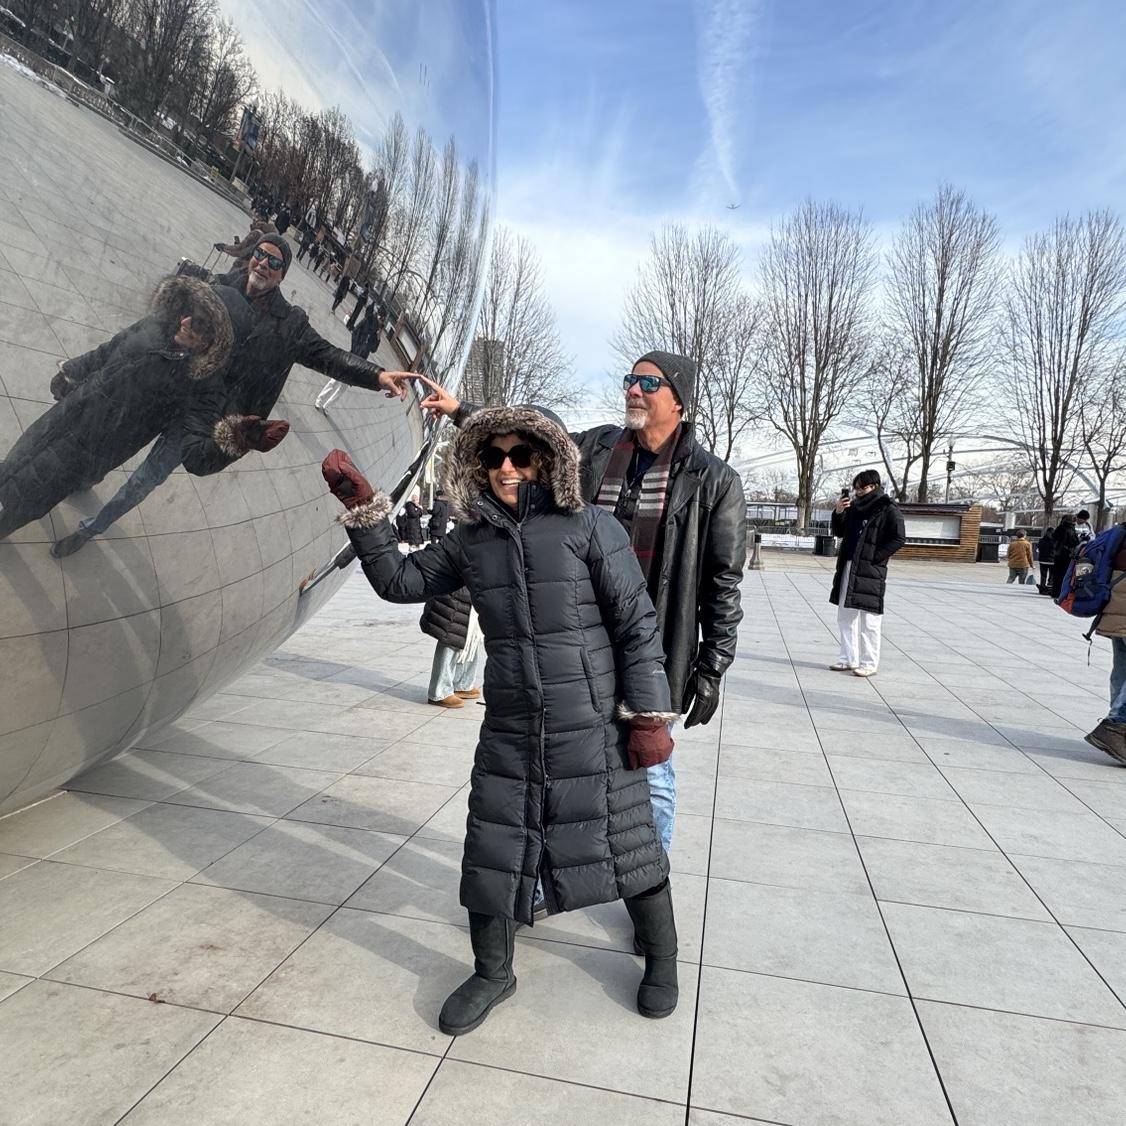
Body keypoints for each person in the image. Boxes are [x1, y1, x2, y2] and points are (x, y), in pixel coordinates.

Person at [320, 403, 680, 1034]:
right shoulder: (472, 542)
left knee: (626, 841)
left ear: (548, 458)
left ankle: (664, 958)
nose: (507, 468)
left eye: (521, 454)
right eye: (492, 456)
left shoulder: (591, 526)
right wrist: (367, 513)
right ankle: (493, 971)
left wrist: (647, 715)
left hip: (592, 723)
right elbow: (401, 581)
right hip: (511, 728)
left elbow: (636, 622)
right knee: (494, 848)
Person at [415, 351, 746, 855]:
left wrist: (712, 668)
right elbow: (526, 435)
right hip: (578, 642)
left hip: (650, 648)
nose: (633, 390)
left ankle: (646, 884)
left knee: (649, 773)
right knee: (564, 770)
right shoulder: (597, 449)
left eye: (648, 383)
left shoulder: (715, 481)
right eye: (630, 380)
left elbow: (723, 585)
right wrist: (463, 410)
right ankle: (556, 875)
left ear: (679, 399)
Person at [0, 278, 246, 543]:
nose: (185, 323)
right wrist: (73, 370)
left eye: (198, 324)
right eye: (188, 313)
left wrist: (228, 439)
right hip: (72, 411)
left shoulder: (197, 383)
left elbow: (192, 439)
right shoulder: (157, 325)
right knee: (20, 455)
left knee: (35, 491)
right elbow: (111, 347)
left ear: (212, 341)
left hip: (95, 446)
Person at [178, 234, 415, 477]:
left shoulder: (290, 324)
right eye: (259, 255)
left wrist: (377, 376)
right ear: (251, 258)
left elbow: (330, 356)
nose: (263, 264)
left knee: (167, 468)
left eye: (274, 262)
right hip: (180, 392)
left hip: (214, 414)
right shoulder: (222, 286)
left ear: (281, 276)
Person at [829, 469, 906, 677]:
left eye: (862, 488)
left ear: (874, 486)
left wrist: (876, 557)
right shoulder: (854, 507)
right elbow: (839, 532)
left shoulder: (887, 508)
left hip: (870, 570)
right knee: (845, 616)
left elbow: (899, 538)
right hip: (848, 565)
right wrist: (838, 513)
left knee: (870, 620)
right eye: (856, 488)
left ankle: (869, 663)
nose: (858, 492)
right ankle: (847, 658)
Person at [1084, 527, 1126, 764]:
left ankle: (1118, 732)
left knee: (1121, 669)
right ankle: (1117, 724)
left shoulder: (1120, 533)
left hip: (1116, 611)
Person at [315, 299, 383, 415]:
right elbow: (355, 331)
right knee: (335, 379)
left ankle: (327, 406)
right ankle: (319, 400)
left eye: (382, 320)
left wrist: (378, 338)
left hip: (360, 362)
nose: (381, 321)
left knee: (343, 387)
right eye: (381, 318)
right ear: (378, 315)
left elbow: (373, 350)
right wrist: (355, 348)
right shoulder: (367, 320)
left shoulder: (377, 331)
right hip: (351, 356)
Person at [421, 585, 483, 708]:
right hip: (455, 588)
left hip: (475, 588)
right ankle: (440, 692)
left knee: (471, 638)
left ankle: (462, 684)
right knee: (451, 637)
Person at [1050, 514, 1080, 601]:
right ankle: (1060, 592)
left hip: (1059, 553)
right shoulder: (1069, 528)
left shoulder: (1061, 527)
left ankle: (1056, 592)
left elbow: (1055, 538)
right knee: (1064, 573)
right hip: (1066, 553)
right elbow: (1074, 541)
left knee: (1058, 574)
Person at [1037, 527, 1056, 595]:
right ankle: (1049, 587)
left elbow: (1039, 547)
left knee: (1043, 575)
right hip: (1052, 561)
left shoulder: (1041, 540)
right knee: (1052, 575)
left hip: (1042, 560)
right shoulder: (1055, 540)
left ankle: (1042, 587)